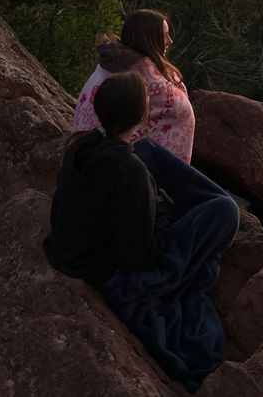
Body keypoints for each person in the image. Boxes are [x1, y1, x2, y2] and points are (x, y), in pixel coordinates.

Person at [44, 72, 239, 391]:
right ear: (142, 114)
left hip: (81, 246)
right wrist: (164, 216)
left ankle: (198, 200)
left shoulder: (79, 149)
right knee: (225, 211)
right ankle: (207, 201)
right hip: (110, 268)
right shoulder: (129, 173)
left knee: (146, 149)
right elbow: (140, 256)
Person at [74, 9, 195, 163]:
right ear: (149, 39)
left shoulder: (112, 61)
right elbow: (176, 106)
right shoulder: (142, 71)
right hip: (117, 160)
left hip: (87, 150)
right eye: (164, 35)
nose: (170, 41)